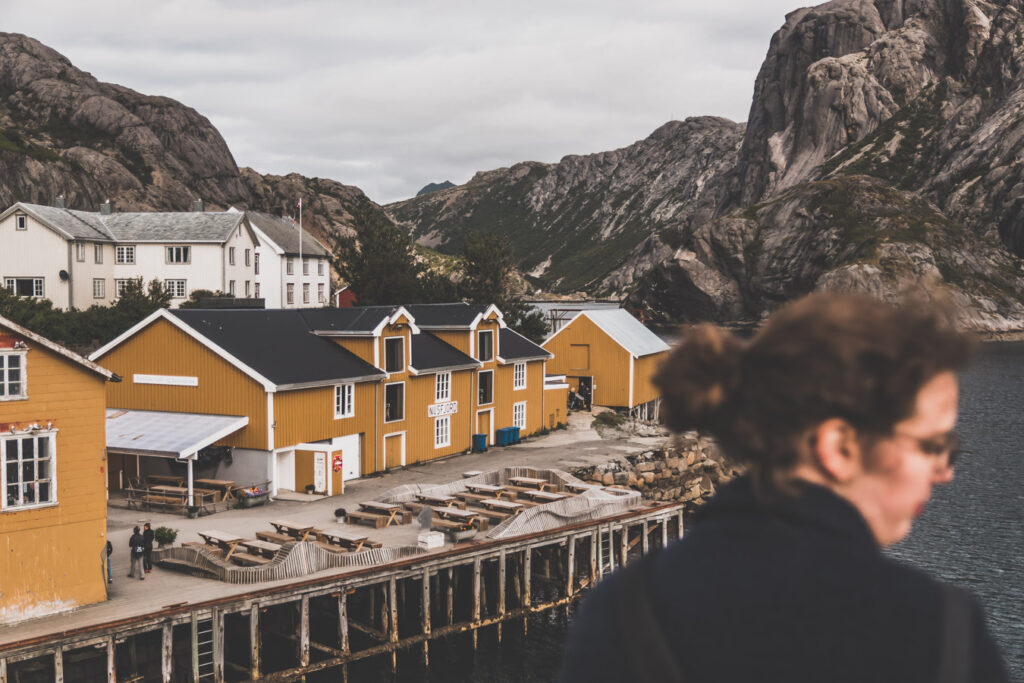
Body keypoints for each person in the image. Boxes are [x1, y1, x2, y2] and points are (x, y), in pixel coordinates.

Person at [559, 292, 1009, 682]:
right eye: (933, 443)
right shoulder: (939, 630)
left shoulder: (622, 612)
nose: (945, 470)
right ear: (840, 446)